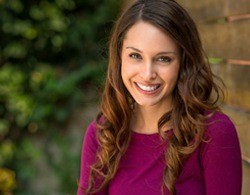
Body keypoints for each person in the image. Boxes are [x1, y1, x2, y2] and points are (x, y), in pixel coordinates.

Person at [77, 0, 242, 194]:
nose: (147, 74)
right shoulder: (103, 135)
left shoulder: (214, 134)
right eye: (136, 56)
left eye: (163, 59)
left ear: (183, 62)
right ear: (120, 56)